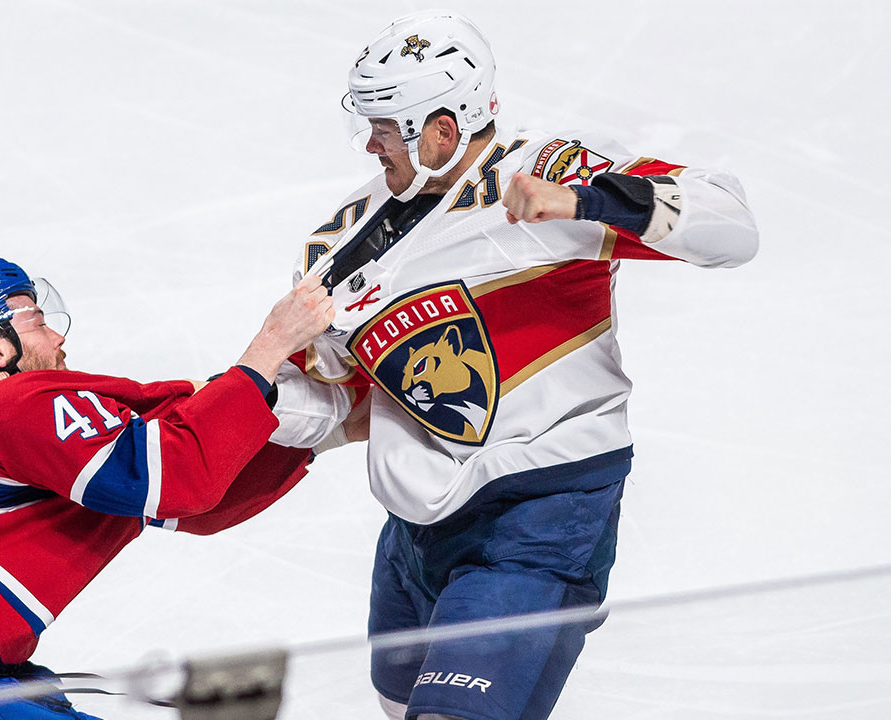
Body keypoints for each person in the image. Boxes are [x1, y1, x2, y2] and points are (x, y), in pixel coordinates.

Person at [265, 10, 759, 720]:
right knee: (396, 706)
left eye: (385, 126)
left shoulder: (553, 172)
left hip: (543, 517)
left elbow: (734, 226)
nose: (370, 144)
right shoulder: (337, 245)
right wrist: (242, 397)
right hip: (415, 527)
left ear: (442, 127)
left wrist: (588, 200)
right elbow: (342, 401)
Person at [0, 254, 334, 719]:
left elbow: (196, 502)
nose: (58, 336)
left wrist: (328, 433)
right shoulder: (9, 407)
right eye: (36, 320)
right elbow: (174, 476)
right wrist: (270, 346)